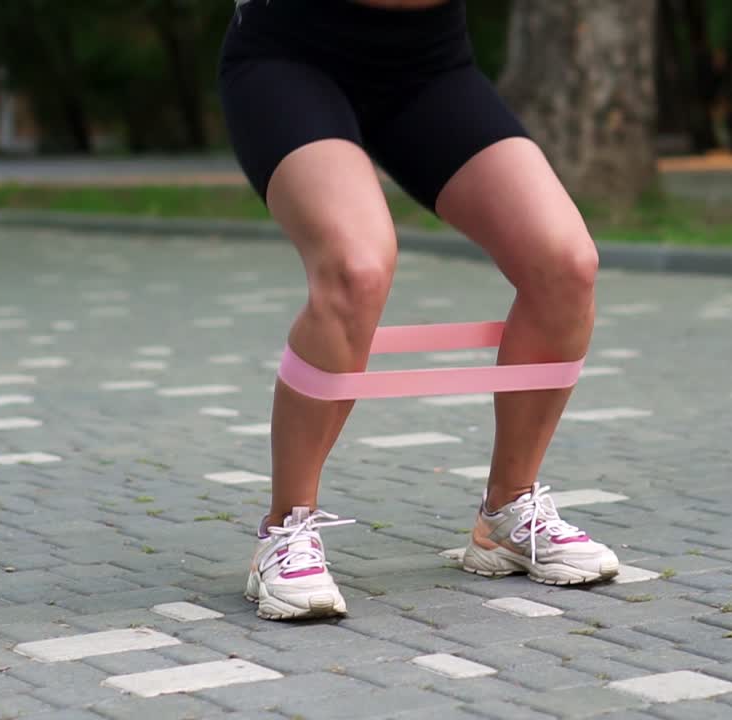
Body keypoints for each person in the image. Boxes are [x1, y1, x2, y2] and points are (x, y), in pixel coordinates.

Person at [220, 0, 619, 621]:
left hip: (429, 64)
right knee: (355, 269)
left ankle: (506, 516)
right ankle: (285, 530)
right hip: (291, 58)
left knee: (565, 265)